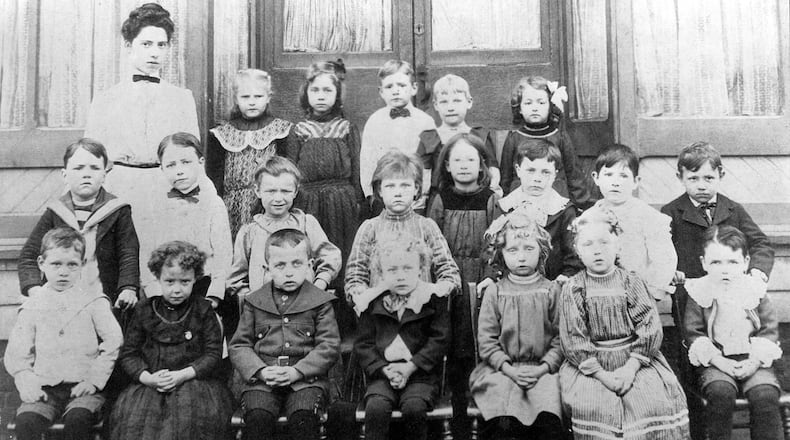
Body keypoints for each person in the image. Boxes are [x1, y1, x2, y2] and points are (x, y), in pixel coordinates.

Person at [559, 208, 689, 440]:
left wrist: (630, 368)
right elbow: (574, 337)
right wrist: (603, 375)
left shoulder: (631, 281)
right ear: (578, 251)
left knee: (654, 402)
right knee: (595, 407)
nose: (597, 250)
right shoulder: (574, 288)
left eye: (604, 242)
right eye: (588, 244)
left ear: (618, 245)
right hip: (592, 365)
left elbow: (649, 326)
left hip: (636, 360)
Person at [84, 3, 213, 233]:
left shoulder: (182, 98)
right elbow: (90, 160)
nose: (154, 52)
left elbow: (191, 159)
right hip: (120, 190)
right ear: (128, 45)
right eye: (146, 44)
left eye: (161, 45)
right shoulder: (105, 100)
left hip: (167, 191)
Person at [5, 228, 123, 440]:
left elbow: (114, 340)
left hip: (83, 387)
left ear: (82, 265)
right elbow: (17, 352)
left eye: (72, 265)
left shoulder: (93, 300)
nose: (63, 272)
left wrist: (93, 381)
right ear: (41, 263)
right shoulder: (33, 305)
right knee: (27, 422)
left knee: (78, 421)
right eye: (56, 264)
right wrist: (27, 383)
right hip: (44, 388)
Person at [110, 241, 234, 440]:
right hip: (150, 384)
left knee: (190, 419)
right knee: (137, 421)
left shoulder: (203, 310)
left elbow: (212, 355)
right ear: (158, 278)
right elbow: (129, 355)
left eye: (185, 282)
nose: (177, 289)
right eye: (170, 281)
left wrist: (183, 375)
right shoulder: (144, 310)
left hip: (193, 382)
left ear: (195, 279)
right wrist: (148, 378)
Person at [229, 229, 340, 440]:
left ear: (310, 265)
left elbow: (329, 346)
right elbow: (239, 346)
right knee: (258, 418)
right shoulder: (255, 302)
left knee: (303, 416)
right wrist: (261, 371)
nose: (289, 272)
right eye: (280, 265)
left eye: (297, 264)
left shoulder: (320, 302)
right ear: (267, 268)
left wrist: (298, 371)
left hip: (306, 381)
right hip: (263, 382)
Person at [425, 132, 498, 440]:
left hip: (480, 282)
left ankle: (480, 405)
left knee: (476, 343)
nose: (464, 165)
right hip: (450, 281)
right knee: (453, 344)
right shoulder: (440, 199)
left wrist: (489, 277)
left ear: (482, 166)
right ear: (447, 166)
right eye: (457, 160)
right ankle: (455, 407)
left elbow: (496, 243)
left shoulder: (491, 199)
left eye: (471, 159)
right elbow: (430, 242)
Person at [469, 213, 565, 439]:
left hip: (543, 371)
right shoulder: (496, 291)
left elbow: (561, 339)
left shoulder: (551, 290)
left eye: (529, 249)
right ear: (501, 254)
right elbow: (487, 341)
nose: (521, 257)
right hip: (501, 370)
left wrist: (542, 368)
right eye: (513, 250)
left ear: (541, 251)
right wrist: (510, 370)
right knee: (503, 419)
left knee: (547, 415)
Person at [684, 225, 782, 440]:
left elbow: (769, 330)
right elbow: (694, 333)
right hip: (716, 362)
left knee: (765, 394)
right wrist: (719, 361)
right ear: (703, 263)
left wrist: (755, 361)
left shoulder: (754, 290)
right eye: (716, 262)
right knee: (720, 393)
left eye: (732, 262)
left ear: (746, 262)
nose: (724, 269)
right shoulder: (700, 292)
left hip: (753, 360)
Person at [18, 139, 139, 312]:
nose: (87, 174)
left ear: (104, 174)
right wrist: (35, 290)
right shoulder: (56, 211)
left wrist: (128, 288)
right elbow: (29, 256)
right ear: (65, 174)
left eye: (95, 168)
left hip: (104, 297)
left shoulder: (118, 210)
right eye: (78, 168)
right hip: (60, 300)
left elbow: (128, 253)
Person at [661, 141, 774, 319]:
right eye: (693, 178)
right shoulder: (671, 212)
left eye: (709, 178)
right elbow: (661, 250)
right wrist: (669, 271)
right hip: (691, 296)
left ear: (720, 175)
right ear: (680, 177)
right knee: (693, 340)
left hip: (731, 292)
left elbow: (761, 243)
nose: (701, 185)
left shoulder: (733, 209)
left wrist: (757, 270)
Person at [354, 237, 451, 440]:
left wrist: (411, 367)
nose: (400, 276)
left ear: (420, 268)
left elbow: (439, 340)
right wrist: (383, 369)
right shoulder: (372, 303)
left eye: (408, 268)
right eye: (392, 270)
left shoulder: (431, 299)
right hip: (383, 375)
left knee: (414, 408)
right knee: (377, 408)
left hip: (420, 376)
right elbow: (364, 344)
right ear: (381, 273)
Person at [345, 150, 461, 316]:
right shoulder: (369, 228)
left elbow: (449, 273)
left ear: (416, 189)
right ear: (379, 190)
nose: (398, 192)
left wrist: (434, 290)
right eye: (390, 186)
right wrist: (364, 296)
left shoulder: (427, 227)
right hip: (380, 317)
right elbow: (355, 276)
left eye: (405, 185)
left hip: (421, 316)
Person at [286, 60, 364, 294]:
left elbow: (357, 167)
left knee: (342, 250)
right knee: (313, 252)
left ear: (338, 94)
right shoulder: (299, 130)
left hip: (342, 201)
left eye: (328, 90)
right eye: (315, 90)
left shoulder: (346, 128)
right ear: (306, 93)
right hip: (309, 202)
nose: (321, 96)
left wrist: (358, 200)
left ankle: (343, 312)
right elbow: (291, 169)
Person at [227, 156, 342, 301]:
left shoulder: (306, 223)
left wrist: (318, 286)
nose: (278, 198)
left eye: (285, 191)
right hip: (264, 312)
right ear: (257, 191)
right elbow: (236, 278)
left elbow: (330, 257)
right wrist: (252, 300)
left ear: (295, 191)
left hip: (304, 306)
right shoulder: (249, 232)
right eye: (271, 191)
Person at [139, 132, 232, 309]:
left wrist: (215, 294)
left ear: (201, 163)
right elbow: (146, 253)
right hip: (165, 288)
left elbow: (223, 254)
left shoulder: (213, 203)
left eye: (186, 162)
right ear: (162, 169)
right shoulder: (154, 206)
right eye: (171, 165)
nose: (179, 171)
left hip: (203, 286)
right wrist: (155, 292)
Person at [206, 69, 292, 237]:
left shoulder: (281, 131)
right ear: (236, 99)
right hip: (231, 206)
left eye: (258, 96)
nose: (252, 102)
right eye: (245, 97)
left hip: (267, 204)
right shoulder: (222, 135)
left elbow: (287, 173)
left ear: (268, 97)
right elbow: (214, 177)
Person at [484, 139, 582, 285]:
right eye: (530, 171)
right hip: (512, 284)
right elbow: (493, 248)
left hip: (552, 285)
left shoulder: (563, 209)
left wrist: (566, 276)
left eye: (545, 172)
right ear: (518, 170)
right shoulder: (506, 206)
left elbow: (572, 254)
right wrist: (491, 277)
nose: (537, 178)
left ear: (555, 174)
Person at [589, 144, 677, 300]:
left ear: (636, 181)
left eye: (623, 176)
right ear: (596, 178)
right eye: (609, 175)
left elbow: (664, 259)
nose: (615, 182)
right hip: (600, 294)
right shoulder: (590, 217)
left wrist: (651, 291)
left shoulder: (648, 217)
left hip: (639, 295)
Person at [499, 76, 593, 209]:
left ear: (550, 106)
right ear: (519, 108)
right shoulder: (514, 138)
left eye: (541, 102)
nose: (535, 108)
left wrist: (581, 204)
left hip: (554, 198)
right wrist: (504, 203)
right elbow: (506, 175)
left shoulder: (559, 136)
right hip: (521, 199)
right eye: (528, 103)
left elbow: (573, 173)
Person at [359, 60, 436, 214]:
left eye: (401, 85)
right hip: (383, 197)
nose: (395, 91)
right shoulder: (375, 121)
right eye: (389, 86)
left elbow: (428, 163)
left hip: (415, 198)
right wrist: (370, 195)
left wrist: (422, 193)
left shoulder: (425, 122)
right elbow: (367, 161)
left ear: (414, 88)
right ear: (381, 92)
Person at [416, 74, 501, 197]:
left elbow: (492, 171)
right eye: (444, 102)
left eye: (456, 101)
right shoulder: (429, 139)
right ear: (436, 105)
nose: (450, 108)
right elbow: (422, 176)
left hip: (474, 199)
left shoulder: (480, 136)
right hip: (439, 200)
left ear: (469, 102)